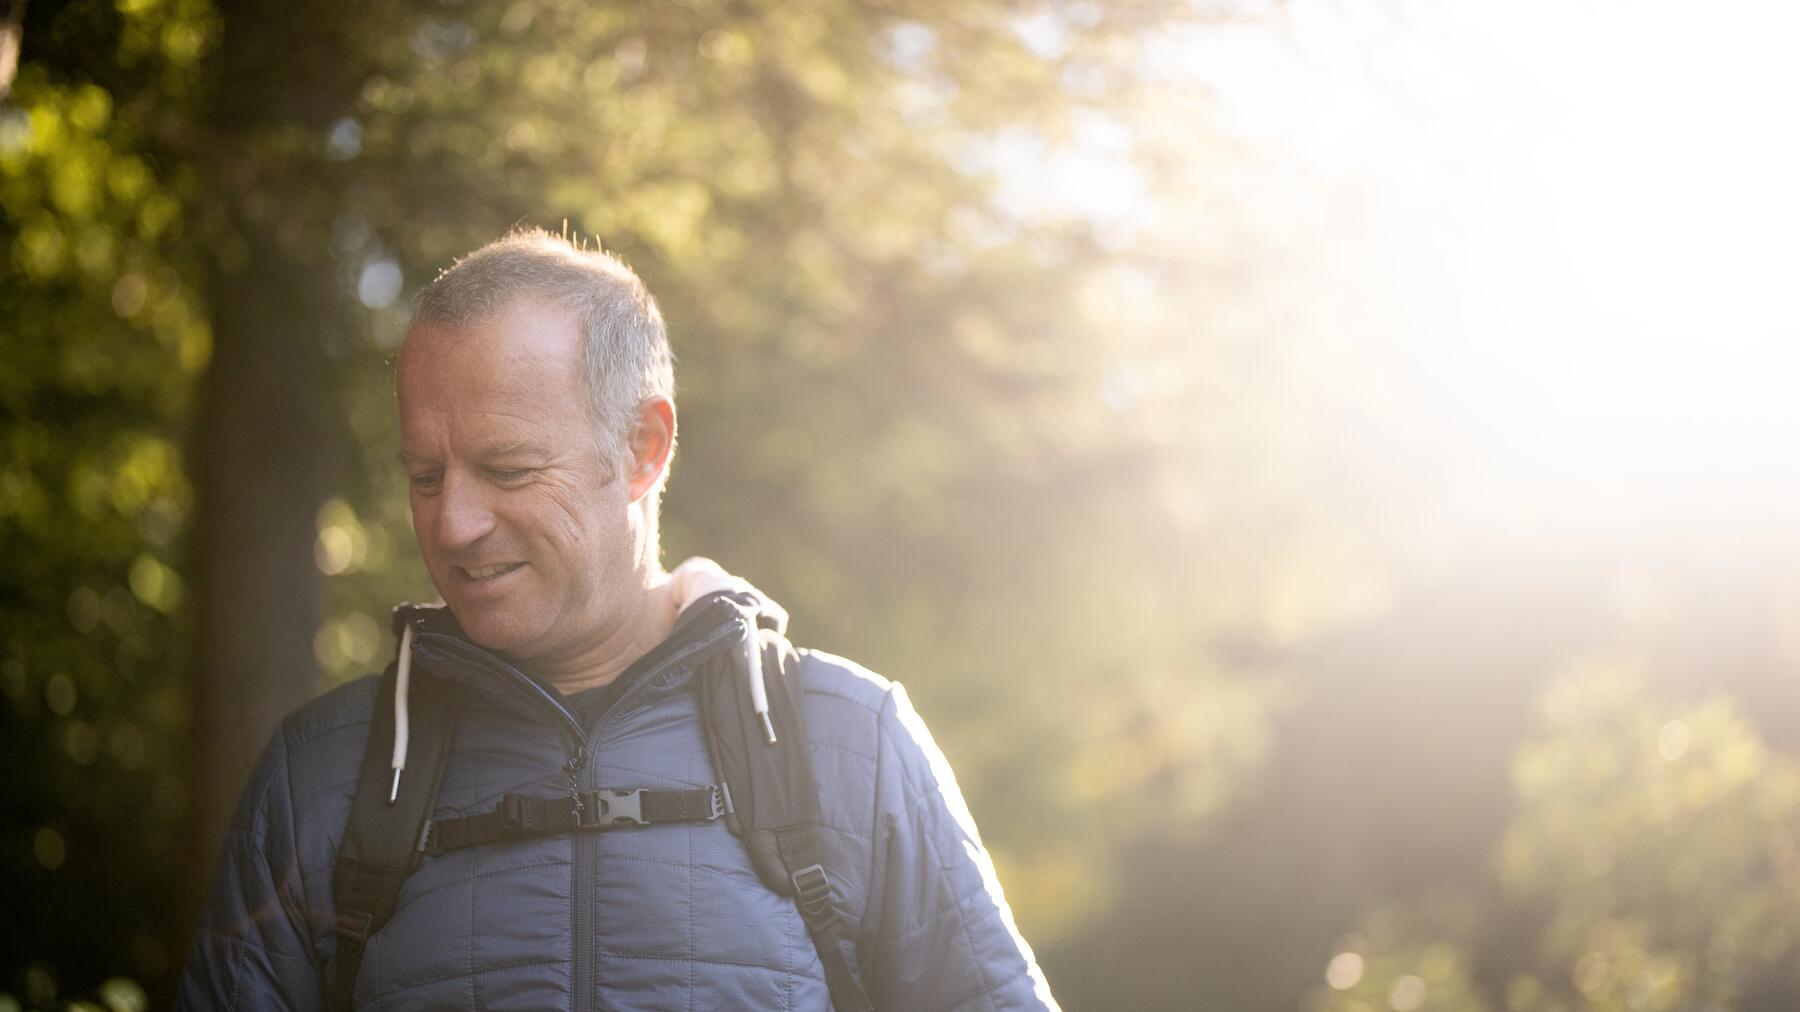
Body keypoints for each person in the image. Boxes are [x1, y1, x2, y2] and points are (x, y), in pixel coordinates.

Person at [175, 229, 1057, 1010]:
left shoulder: (853, 746)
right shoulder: (318, 779)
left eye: (508, 469)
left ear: (643, 447)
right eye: (426, 475)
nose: (453, 526)